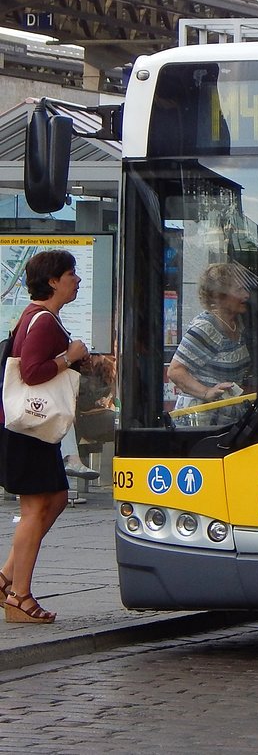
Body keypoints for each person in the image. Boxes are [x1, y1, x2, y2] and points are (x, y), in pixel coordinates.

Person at [1, 249, 90, 624]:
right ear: (53, 280)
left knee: (55, 498)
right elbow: (34, 372)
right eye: (71, 274)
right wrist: (70, 358)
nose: (77, 280)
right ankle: (19, 597)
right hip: (29, 429)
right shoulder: (43, 321)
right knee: (35, 509)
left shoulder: (38, 318)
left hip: (34, 429)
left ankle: (5, 579)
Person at [167, 263, 251, 426]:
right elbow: (175, 371)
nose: (246, 295)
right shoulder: (206, 327)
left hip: (226, 421)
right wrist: (206, 392)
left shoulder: (237, 324)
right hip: (201, 424)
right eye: (239, 290)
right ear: (219, 295)